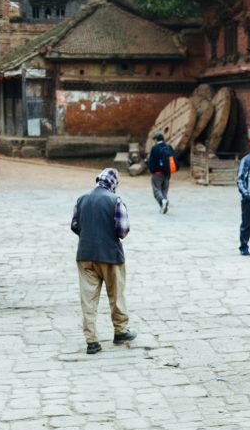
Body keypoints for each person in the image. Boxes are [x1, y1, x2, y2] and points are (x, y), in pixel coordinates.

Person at [70, 168, 137, 354]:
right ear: (113, 184)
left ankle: (91, 341)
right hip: (110, 255)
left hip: (85, 254)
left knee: (88, 299)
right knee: (116, 295)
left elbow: (75, 225)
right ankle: (120, 331)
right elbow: (122, 230)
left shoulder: (82, 199)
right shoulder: (115, 200)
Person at [147, 132, 174, 214]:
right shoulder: (169, 147)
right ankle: (163, 206)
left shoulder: (155, 148)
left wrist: (152, 171)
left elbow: (151, 162)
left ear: (156, 139)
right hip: (167, 173)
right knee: (164, 190)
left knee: (156, 190)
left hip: (157, 173)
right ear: (163, 139)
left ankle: (163, 201)